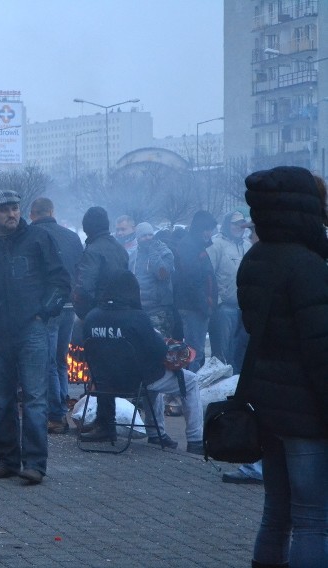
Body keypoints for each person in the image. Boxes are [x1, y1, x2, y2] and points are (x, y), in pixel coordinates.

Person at [238, 166, 328, 568]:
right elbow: (320, 351)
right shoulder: (308, 266)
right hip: (306, 412)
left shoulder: (255, 258)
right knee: (313, 518)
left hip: (269, 406)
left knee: (277, 513)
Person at [0, 189, 71, 485]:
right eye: (4, 209)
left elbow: (59, 280)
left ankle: (34, 464)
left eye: (15, 207)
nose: (11, 213)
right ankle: (6, 460)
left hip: (31, 330)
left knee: (34, 398)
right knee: (2, 400)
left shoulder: (38, 239)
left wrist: (42, 313)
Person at [79, 269, 203, 453]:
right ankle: (195, 440)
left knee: (150, 377)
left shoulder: (91, 317)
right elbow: (160, 351)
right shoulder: (137, 318)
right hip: (137, 382)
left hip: (104, 383)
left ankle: (157, 434)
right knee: (191, 381)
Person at [29, 197, 84, 435]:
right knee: (61, 360)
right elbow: (80, 269)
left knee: (49, 362)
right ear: (52, 211)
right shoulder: (71, 236)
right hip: (70, 306)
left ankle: (56, 415)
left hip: (47, 308)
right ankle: (61, 405)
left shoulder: (30, 237)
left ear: (32, 214)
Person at [173, 211, 218, 371]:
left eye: (211, 229)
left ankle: (191, 388)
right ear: (199, 228)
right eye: (206, 229)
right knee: (194, 353)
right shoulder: (189, 246)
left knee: (195, 351)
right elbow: (192, 281)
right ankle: (191, 389)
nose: (209, 233)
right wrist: (205, 305)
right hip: (193, 307)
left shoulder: (197, 245)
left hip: (196, 305)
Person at [207, 211, 251, 373]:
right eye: (235, 223)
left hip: (245, 308)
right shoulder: (216, 244)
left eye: (241, 223)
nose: (239, 227)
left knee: (240, 351)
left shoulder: (247, 244)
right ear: (227, 225)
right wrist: (215, 301)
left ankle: (237, 386)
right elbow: (208, 274)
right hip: (224, 308)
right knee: (222, 354)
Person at [72, 206, 129, 322]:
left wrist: (84, 314)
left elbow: (84, 288)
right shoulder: (120, 248)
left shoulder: (92, 251)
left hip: (97, 315)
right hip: (120, 313)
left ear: (87, 227)